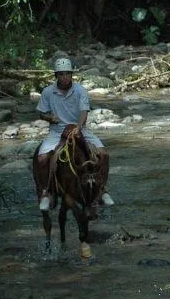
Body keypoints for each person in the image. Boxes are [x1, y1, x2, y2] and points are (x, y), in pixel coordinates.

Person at [34, 57, 113, 211]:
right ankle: (46, 192)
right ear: (56, 76)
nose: (65, 77)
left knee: (104, 154)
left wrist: (79, 126)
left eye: (67, 74)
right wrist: (49, 118)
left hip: (80, 129)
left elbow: (84, 110)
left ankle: (102, 188)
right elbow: (41, 113)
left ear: (72, 75)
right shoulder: (48, 92)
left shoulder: (80, 90)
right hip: (57, 132)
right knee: (42, 159)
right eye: (61, 74)